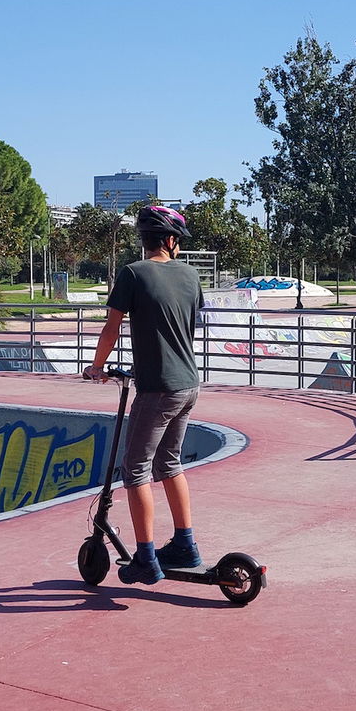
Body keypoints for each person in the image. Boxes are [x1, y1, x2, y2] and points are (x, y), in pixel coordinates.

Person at [84, 204, 206, 585]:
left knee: (135, 469)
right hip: (188, 385)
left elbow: (112, 328)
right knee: (169, 464)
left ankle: (145, 557)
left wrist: (97, 367)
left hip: (157, 390)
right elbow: (184, 326)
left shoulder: (133, 274)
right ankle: (185, 545)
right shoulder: (190, 275)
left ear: (147, 240)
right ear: (170, 241)